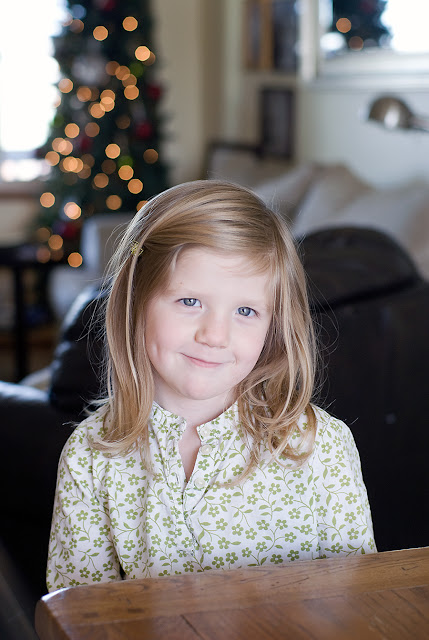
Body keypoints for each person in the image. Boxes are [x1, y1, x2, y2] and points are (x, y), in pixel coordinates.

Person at [47, 180, 375, 591]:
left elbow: (359, 600)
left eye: (245, 311)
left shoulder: (319, 446)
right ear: (135, 301)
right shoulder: (89, 456)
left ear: (273, 326)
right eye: (190, 302)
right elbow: (79, 615)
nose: (215, 336)